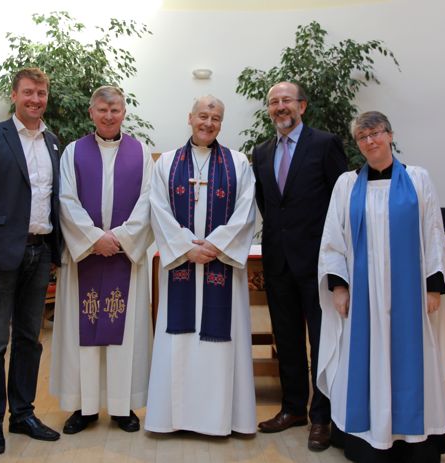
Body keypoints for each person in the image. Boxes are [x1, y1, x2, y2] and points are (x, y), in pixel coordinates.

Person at [317, 111, 445, 462]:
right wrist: (339, 286)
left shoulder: (417, 179)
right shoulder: (347, 185)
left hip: (409, 295)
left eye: (376, 133)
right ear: (358, 144)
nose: (370, 141)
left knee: (413, 360)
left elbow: (433, 234)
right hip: (364, 296)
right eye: (363, 137)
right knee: (365, 361)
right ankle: (368, 440)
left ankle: (416, 442)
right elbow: (333, 239)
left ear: (390, 135)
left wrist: (432, 287)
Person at [0, 67, 61, 454]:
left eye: (41, 94)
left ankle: (22, 414)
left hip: (39, 252)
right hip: (0, 255)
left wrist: (56, 251)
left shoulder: (53, 141)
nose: (35, 99)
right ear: (14, 95)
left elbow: (52, 199)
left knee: (28, 340)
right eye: (28, 93)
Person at [145, 95, 256, 436]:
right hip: (184, 263)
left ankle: (223, 418)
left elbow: (246, 210)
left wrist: (216, 245)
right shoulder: (166, 163)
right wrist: (184, 248)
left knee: (221, 344)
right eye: (203, 116)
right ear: (190, 118)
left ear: (221, 123)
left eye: (216, 118)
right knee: (178, 340)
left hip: (219, 264)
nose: (209, 122)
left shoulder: (238, 163)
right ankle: (172, 418)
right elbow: (157, 208)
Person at [49, 86, 153, 434]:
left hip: (124, 258)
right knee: (84, 332)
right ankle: (85, 406)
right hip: (85, 260)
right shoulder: (73, 152)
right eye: (102, 110)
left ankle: (123, 408)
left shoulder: (140, 152)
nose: (109, 116)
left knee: (124, 334)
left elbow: (148, 203)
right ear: (91, 112)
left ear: (124, 113)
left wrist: (120, 239)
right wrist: (94, 239)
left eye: (116, 110)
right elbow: (65, 200)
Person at [252, 81, 347, 450]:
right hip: (277, 261)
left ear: (302, 106)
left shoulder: (325, 144)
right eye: (273, 101)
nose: (280, 107)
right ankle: (293, 408)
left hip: (318, 263)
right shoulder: (261, 152)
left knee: (322, 341)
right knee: (287, 339)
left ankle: (322, 417)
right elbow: (267, 203)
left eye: (287, 100)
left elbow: (341, 200)